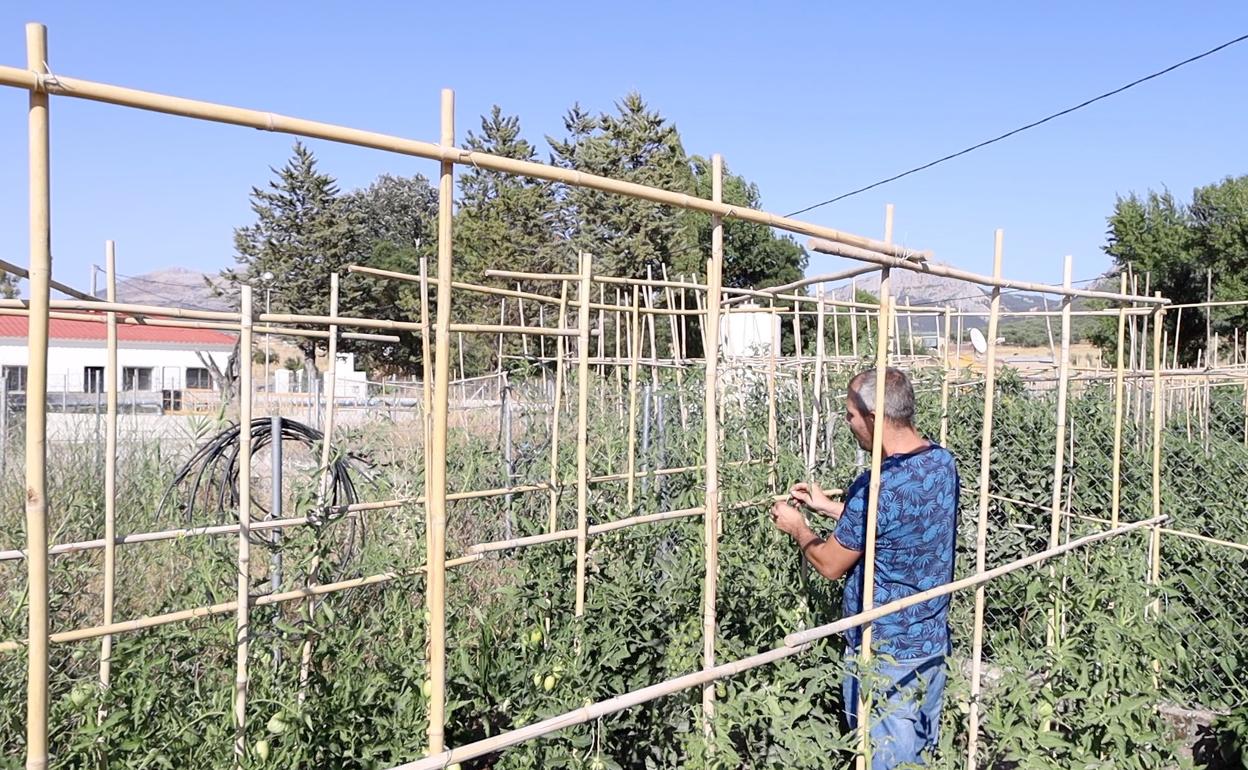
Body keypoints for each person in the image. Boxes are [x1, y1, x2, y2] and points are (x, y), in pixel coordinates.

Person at [770, 366, 959, 769]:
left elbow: (830, 563)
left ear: (873, 417)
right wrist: (829, 506)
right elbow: (896, 525)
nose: (850, 425)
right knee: (919, 754)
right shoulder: (941, 463)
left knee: (883, 758)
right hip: (930, 642)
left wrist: (799, 528)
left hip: (884, 651)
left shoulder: (877, 485)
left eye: (851, 416)